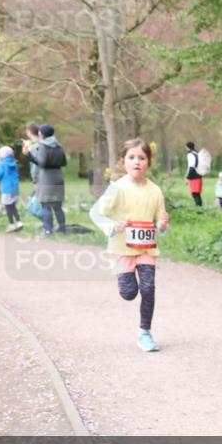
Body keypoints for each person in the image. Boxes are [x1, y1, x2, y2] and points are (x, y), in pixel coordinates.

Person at [89, 138, 170, 352]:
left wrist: (162, 225)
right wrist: (112, 226)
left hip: (146, 249)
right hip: (121, 249)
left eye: (142, 158)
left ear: (148, 162)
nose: (137, 162)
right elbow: (95, 213)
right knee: (129, 293)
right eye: (131, 157)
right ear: (123, 162)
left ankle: (145, 332)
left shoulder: (155, 191)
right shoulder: (117, 188)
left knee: (148, 288)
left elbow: (160, 222)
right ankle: (122, 277)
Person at [31, 123, 67, 235]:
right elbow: (64, 162)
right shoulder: (59, 145)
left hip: (47, 178)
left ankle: (47, 229)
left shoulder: (42, 146)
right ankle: (62, 228)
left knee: (46, 205)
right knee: (57, 206)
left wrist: (29, 156)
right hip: (58, 177)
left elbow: (41, 163)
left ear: (42, 134)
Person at [0, 145, 23, 232]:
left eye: (0, 154)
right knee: (13, 206)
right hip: (14, 188)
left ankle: (11, 224)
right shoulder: (14, 163)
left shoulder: (1, 164)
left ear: (3, 155)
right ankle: (18, 222)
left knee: (7, 207)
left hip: (6, 189)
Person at [185, 140, 203, 207]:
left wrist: (188, 177)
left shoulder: (190, 155)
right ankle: (200, 206)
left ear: (187, 147)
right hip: (199, 175)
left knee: (194, 193)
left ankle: (198, 207)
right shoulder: (197, 153)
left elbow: (191, 166)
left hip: (194, 176)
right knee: (197, 193)